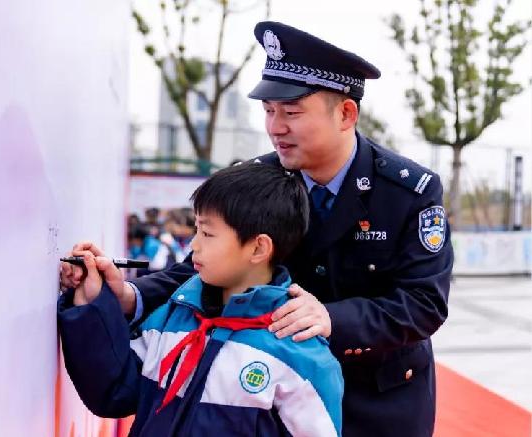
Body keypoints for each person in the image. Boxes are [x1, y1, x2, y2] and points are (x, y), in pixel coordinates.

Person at [61, 21, 453, 437]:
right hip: (264, 396)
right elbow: (204, 265)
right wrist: (131, 296)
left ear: (346, 113)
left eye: (292, 112)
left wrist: (331, 318)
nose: (275, 127)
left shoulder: (406, 192)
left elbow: (423, 301)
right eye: (269, 111)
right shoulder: (261, 180)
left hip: (377, 403)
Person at [58, 163, 343, 436]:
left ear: (258, 248)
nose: (193, 245)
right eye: (196, 229)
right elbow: (115, 391)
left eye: (207, 233)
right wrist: (92, 301)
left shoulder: (299, 353)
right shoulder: (175, 317)